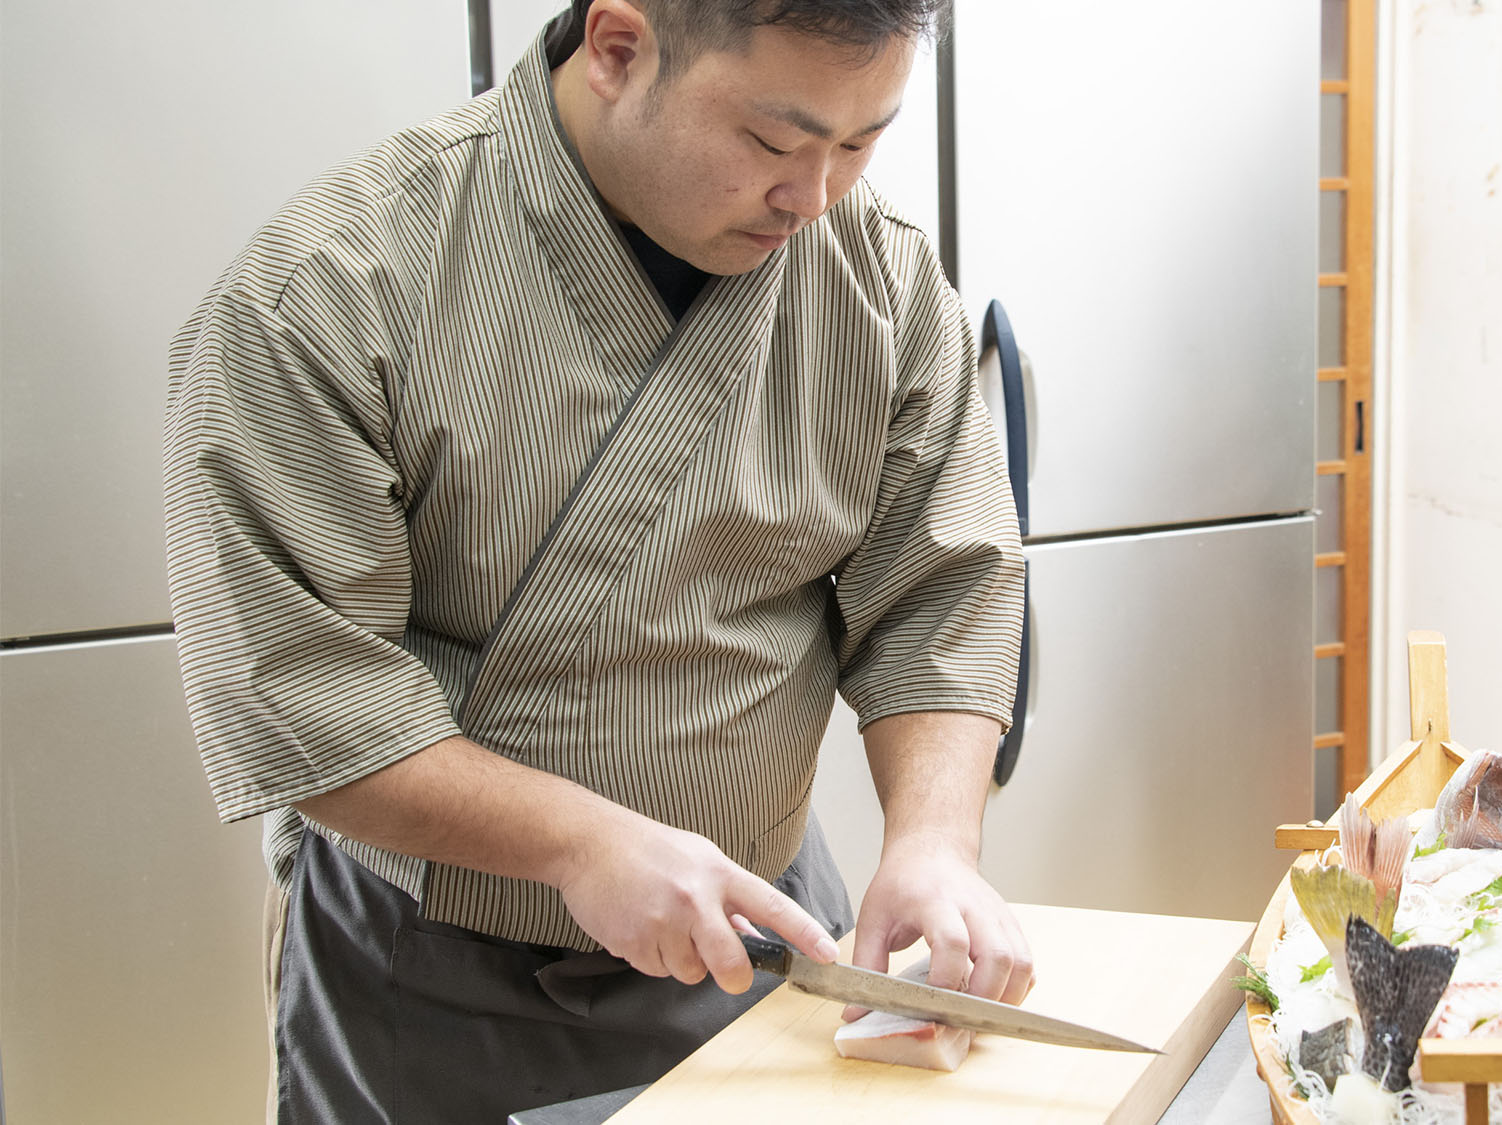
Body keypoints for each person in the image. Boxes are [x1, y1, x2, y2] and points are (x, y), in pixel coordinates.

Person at [162, 1, 1030, 1120]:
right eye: (773, 141)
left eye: (860, 143)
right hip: (428, 970)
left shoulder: (881, 278)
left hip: (763, 945)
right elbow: (297, 694)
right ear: (619, 49)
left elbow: (941, 590)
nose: (813, 198)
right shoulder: (328, 289)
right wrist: (578, 844)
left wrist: (934, 842)